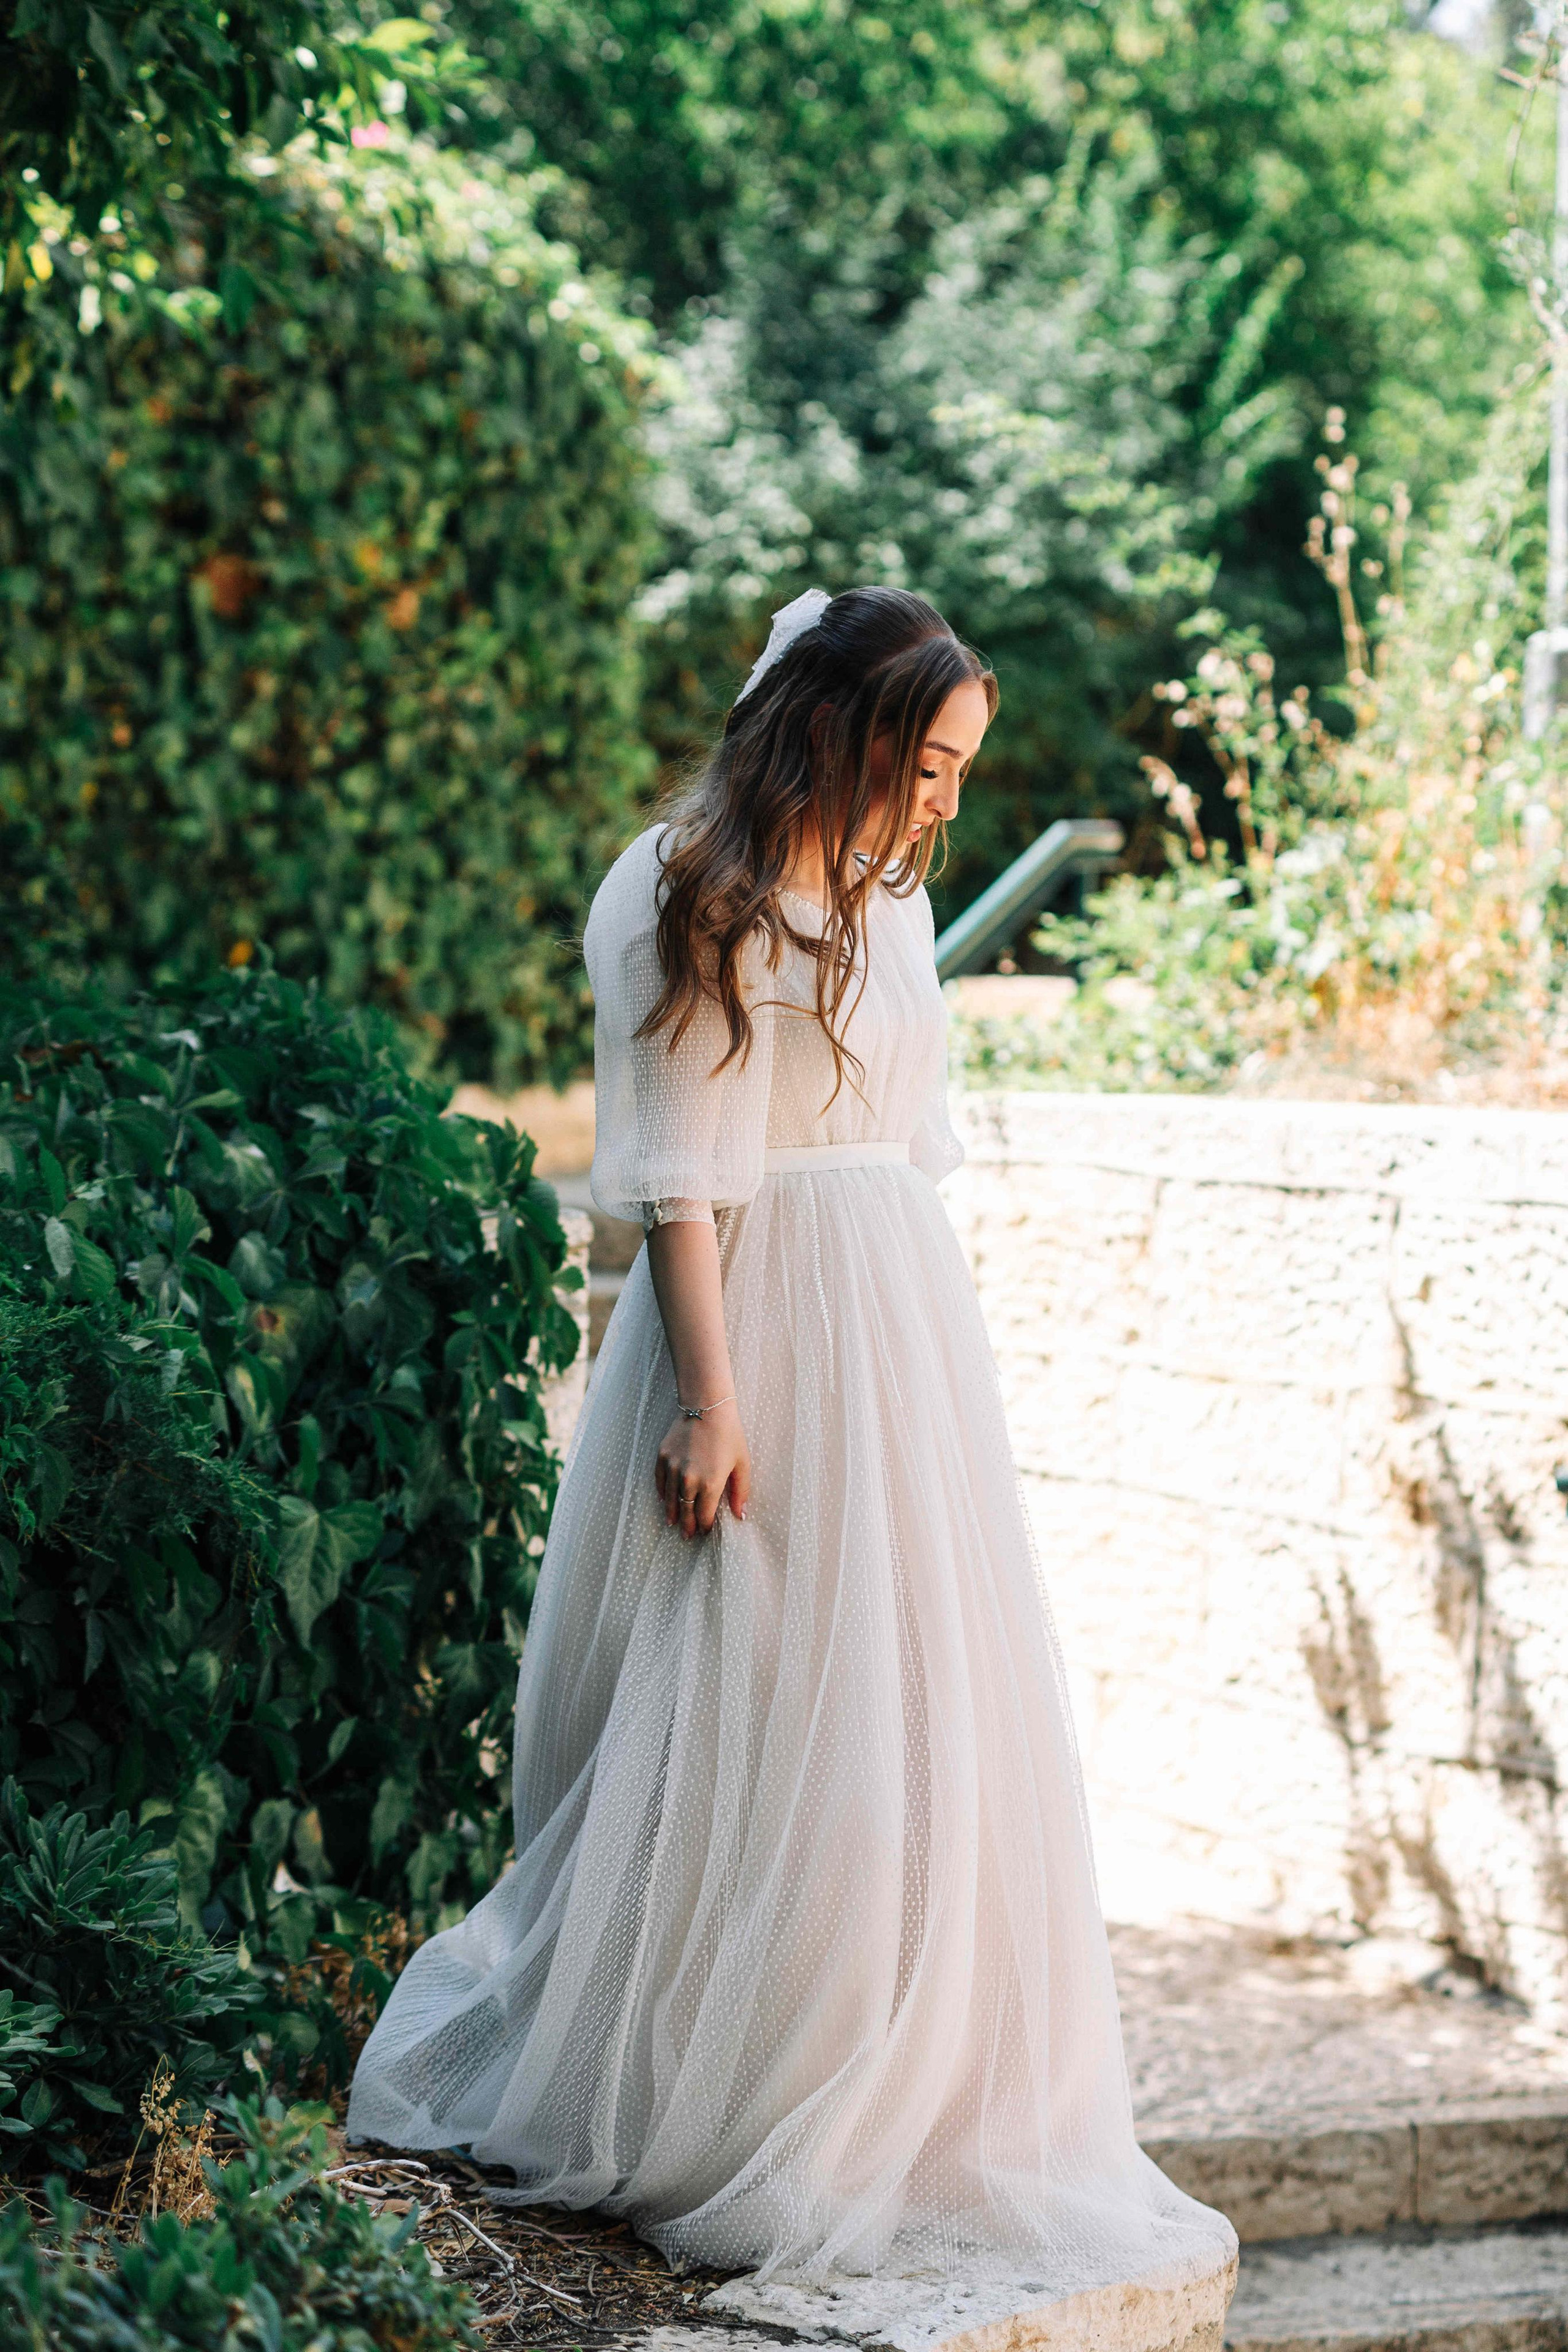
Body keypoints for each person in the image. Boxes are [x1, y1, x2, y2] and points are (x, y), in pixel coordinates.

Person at [348, 586, 1237, 2335]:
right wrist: (709, 1395)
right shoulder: (689, 886)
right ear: (837, 725)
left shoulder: (886, 900)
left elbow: (900, 1136)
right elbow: (681, 1168)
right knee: (752, 1698)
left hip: (897, 1325)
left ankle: (899, 2085)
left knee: (904, 1711)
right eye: (929, 760)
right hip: (752, 1327)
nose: (946, 804)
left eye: (965, 768)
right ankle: (737, 2093)